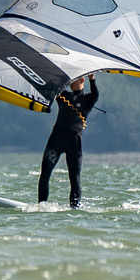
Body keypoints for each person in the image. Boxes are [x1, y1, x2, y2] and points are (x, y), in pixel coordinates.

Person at [38, 75, 97, 208]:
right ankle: (41, 206)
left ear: (82, 80)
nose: (70, 83)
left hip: (74, 143)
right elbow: (52, 85)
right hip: (56, 140)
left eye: (74, 80)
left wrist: (92, 79)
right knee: (45, 173)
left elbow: (95, 93)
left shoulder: (88, 99)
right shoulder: (63, 96)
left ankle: (74, 208)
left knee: (75, 178)